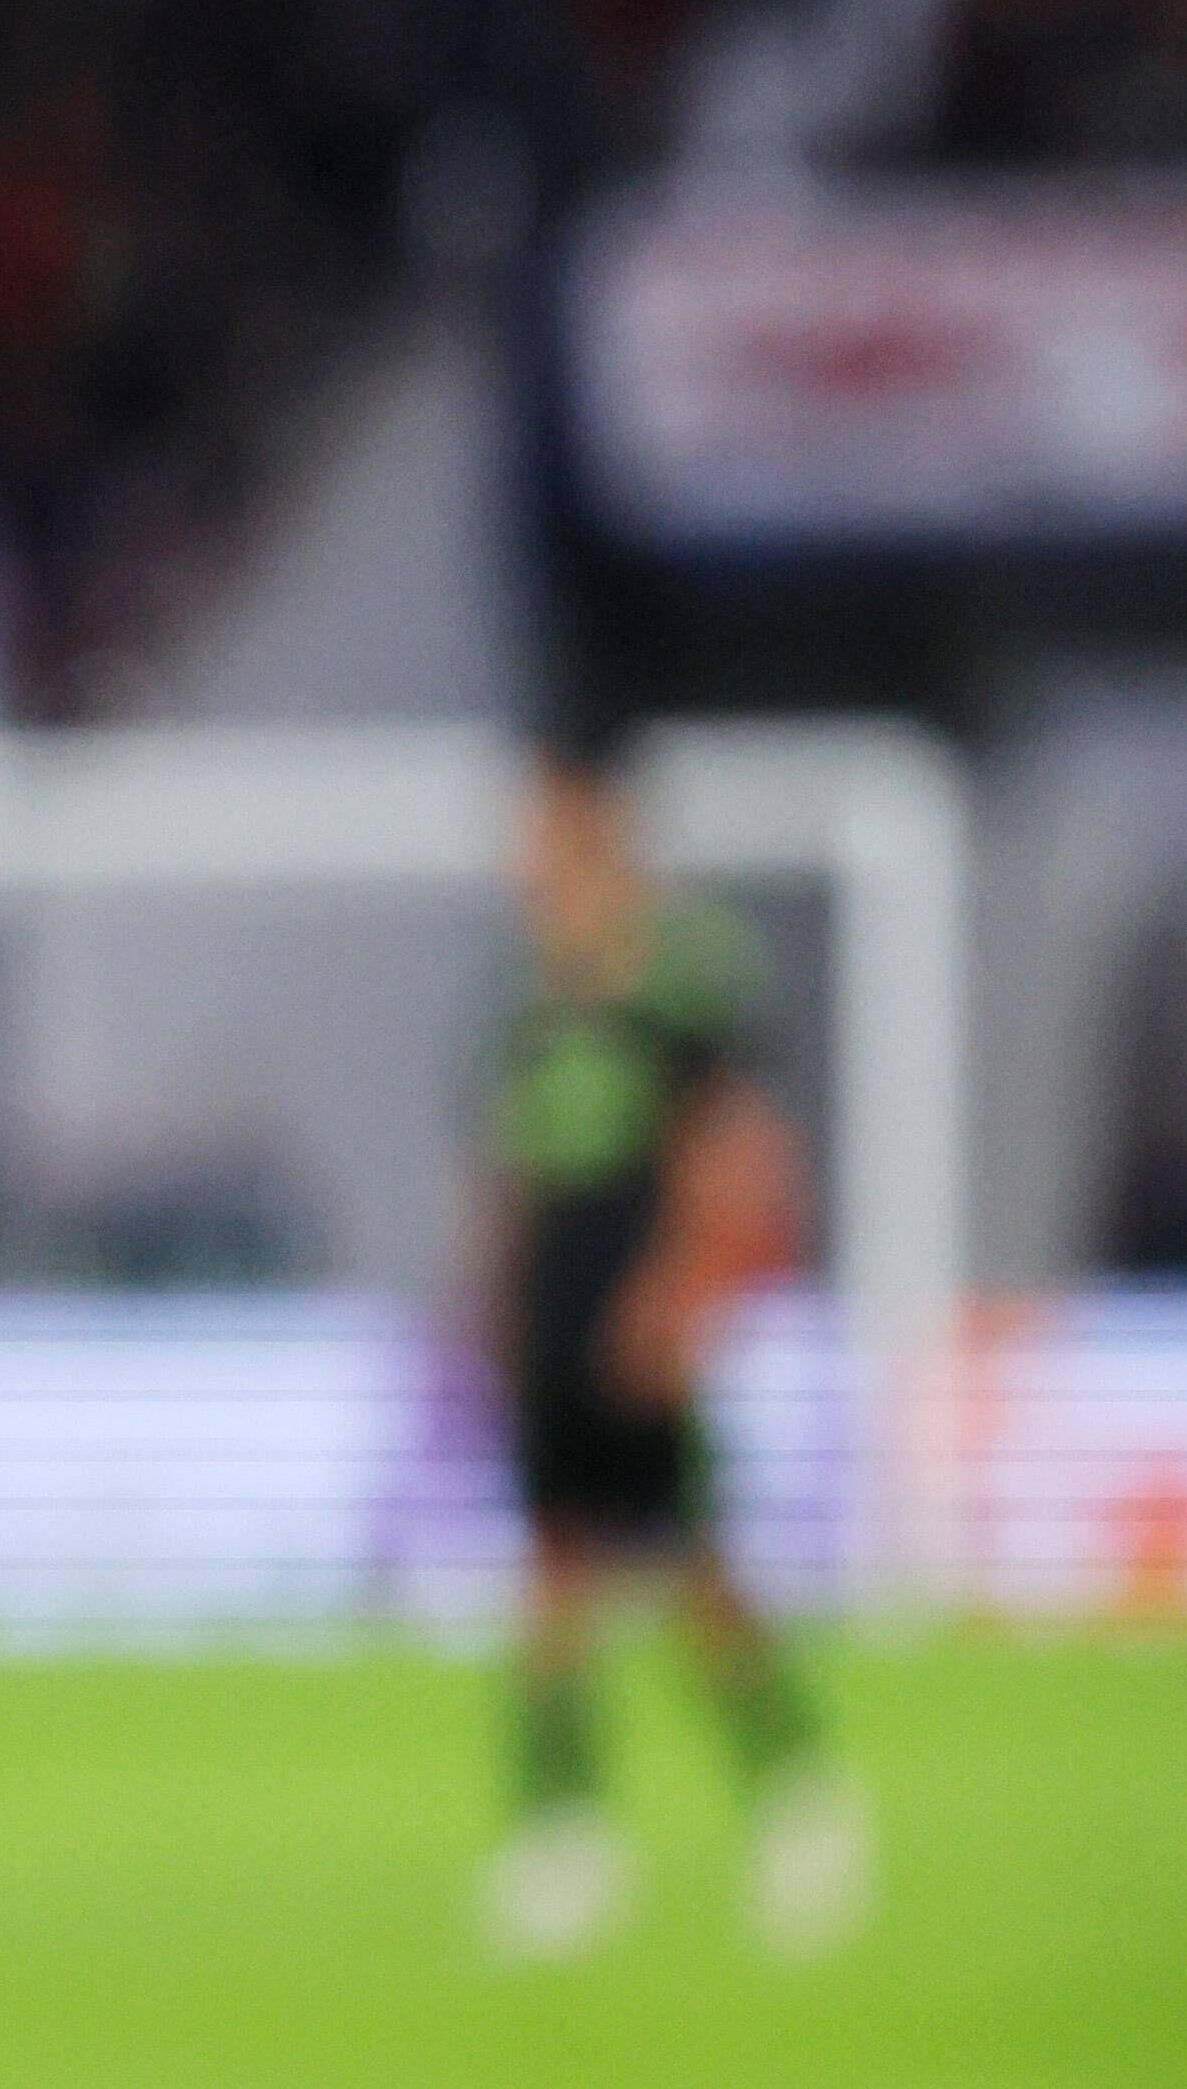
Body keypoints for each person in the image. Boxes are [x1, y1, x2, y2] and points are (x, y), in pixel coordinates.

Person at [473, 749, 867, 1960]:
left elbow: (737, 1156)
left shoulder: (679, 989)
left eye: (541, 832)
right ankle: (563, 1838)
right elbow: (508, 1178)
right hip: (554, 1329)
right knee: (551, 1580)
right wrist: (492, 1309)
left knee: (696, 1582)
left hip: (638, 1329)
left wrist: (684, 1296)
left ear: (595, 832)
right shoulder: (530, 1006)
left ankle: (798, 1795)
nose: (523, 861)